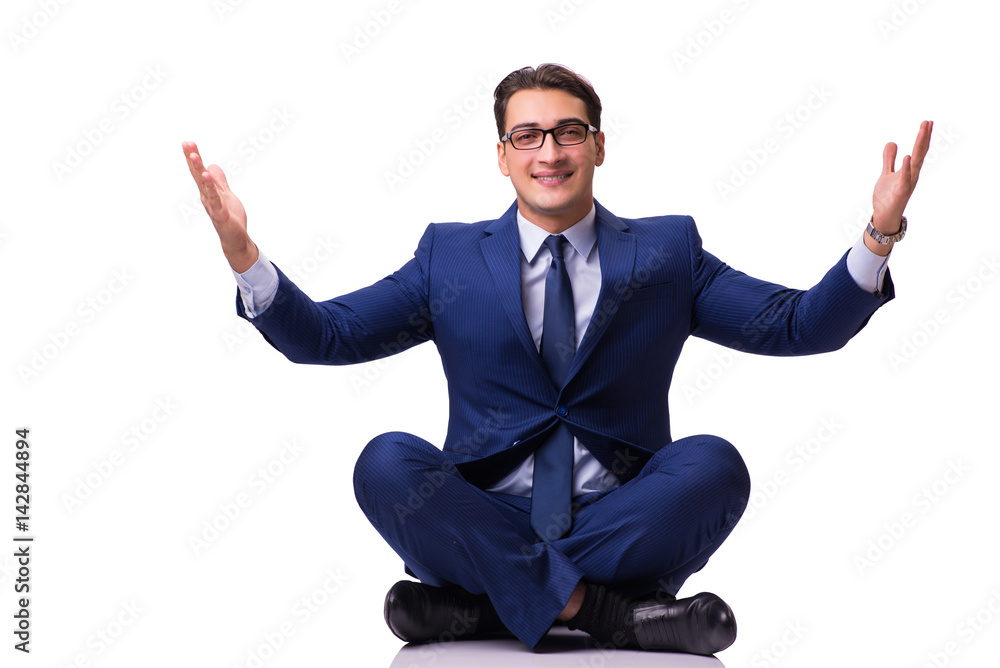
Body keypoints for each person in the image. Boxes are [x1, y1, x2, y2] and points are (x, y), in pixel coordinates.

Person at [182, 64, 932, 655]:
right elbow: (329, 337)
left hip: (622, 516)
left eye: (569, 132)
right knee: (386, 462)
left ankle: (481, 606)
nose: (550, 152)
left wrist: (879, 232)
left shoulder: (668, 251)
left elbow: (797, 324)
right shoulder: (447, 255)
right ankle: (605, 613)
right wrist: (245, 257)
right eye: (529, 136)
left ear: (600, 146)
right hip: (487, 509)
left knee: (715, 465)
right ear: (502, 156)